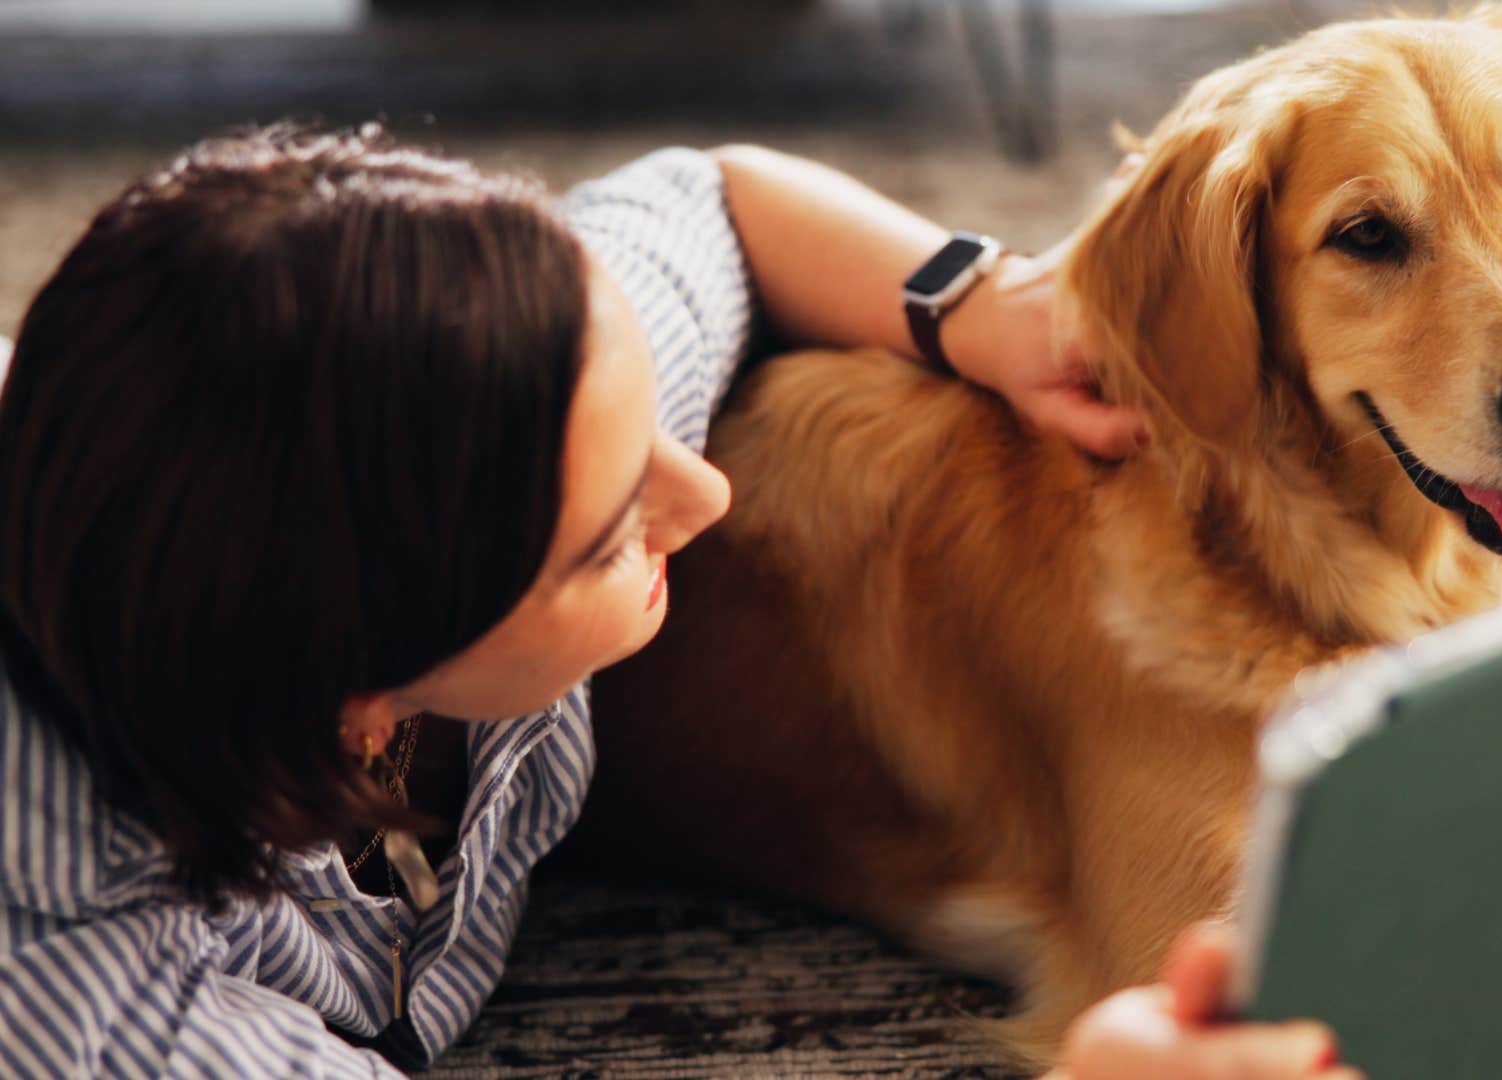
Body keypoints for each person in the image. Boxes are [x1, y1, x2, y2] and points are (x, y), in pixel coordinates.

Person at [0, 124, 1358, 1080]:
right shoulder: (105, 1002)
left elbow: (717, 198)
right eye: (605, 540)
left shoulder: (512, 361)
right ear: (362, 700)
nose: (702, 498)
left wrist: (983, 302)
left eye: (655, 423)